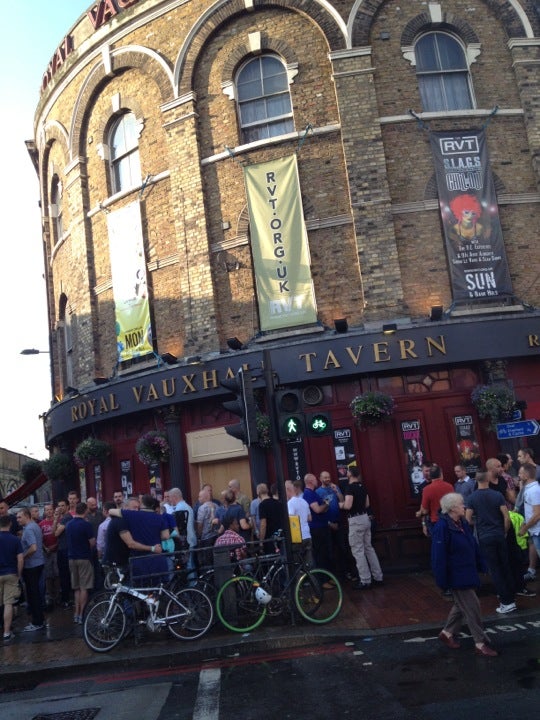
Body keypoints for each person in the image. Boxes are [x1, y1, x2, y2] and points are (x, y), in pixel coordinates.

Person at [431, 492, 498, 657]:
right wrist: (442, 580)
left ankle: (447, 633)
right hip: (456, 575)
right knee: (472, 607)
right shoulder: (442, 527)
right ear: (453, 508)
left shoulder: (461, 523)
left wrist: (481, 563)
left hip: (467, 571)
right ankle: (480, 643)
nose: (464, 507)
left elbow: (472, 545)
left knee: (462, 606)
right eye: (461, 504)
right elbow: (438, 556)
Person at [466, 471, 516, 614]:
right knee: (505, 565)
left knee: (494, 569)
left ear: (476, 480)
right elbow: (506, 517)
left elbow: (467, 520)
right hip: (499, 534)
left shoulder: (472, 498)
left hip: (485, 536)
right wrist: (504, 532)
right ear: (488, 479)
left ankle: (506, 601)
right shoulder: (497, 495)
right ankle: (510, 597)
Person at [339, 466, 383, 590]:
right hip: (365, 518)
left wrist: (339, 504)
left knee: (358, 551)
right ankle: (378, 576)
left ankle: (365, 580)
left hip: (355, 520)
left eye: (347, 471)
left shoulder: (350, 488)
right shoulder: (362, 487)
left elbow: (348, 506)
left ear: (350, 474)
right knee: (369, 548)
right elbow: (367, 504)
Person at [109, 494, 170, 583]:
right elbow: (166, 536)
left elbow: (111, 511)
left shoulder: (132, 514)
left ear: (142, 504)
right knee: (160, 588)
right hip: (158, 559)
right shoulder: (160, 517)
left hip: (139, 559)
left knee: (141, 592)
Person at [65, 502, 95, 623]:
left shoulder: (68, 524)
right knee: (84, 587)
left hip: (71, 558)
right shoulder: (86, 525)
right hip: (84, 557)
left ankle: (76, 613)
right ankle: (82, 614)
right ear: (85, 510)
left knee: (76, 588)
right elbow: (92, 542)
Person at [16, 507, 45, 632]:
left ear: (27, 516)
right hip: (38, 563)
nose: (17, 520)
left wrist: (23, 555)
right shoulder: (35, 526)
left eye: (19, 517)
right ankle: (39, 620)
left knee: (33, 595)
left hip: (32, 566)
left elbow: (33, 547)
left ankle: (37, 622)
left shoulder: (28, 529)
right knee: (36, 593)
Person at [0, 514, 23, 641]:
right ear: (10, 524)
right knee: (8, 603)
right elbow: (20, 559)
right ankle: (7, 632)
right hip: (11, 573)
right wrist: (19, 574)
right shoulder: (15, 540)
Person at [303, 473, 332, 571]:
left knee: (325, 553)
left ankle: (327, 577)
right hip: (317, 528)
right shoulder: (308, 493)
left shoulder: (313, 493)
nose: (317, 481)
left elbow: (322, 509)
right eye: (315, 479)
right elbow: (317, 510)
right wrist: (326, 504)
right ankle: (323, 580)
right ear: (310, 481)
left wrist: (324, 506)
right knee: (320, 554)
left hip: (322, 526)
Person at [416, 464, 454, 537]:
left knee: (439, 545)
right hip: (450, 520)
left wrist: (420, 514)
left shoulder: (426, 489)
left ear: (430, 476)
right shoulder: (449, 486)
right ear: (441, 474)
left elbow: (425, 511)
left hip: (436, 521)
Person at [286, 480, 313, 564]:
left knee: (296, 565)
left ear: (288, 490)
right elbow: (310, 518)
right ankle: (310, 576)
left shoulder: (290, 503)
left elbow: (291, 518)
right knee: (308, 564)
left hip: (297, 538)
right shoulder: (304, 502)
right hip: (307, 535)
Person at [53, 499, 73, 607]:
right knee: (63, 574)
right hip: (61, 549)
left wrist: (56, 520)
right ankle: (65, 598)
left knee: (65, 575)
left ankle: (66, 599)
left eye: (63, 505)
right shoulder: (62, 518)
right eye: (59, 505)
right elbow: (53, 532)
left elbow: (56, 533)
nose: (60, 507)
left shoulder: (67, 518)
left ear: (67, 506)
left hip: (65, 550)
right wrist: (55, 519)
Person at [39, 503, 60, 608]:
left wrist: (55, 545)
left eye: (50, 509)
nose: (49, 511)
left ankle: (57, 596)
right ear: (44, 511)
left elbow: (60, 537)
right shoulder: (41, 524)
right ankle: (50, 596)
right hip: (46, 552)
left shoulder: (58, 521)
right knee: (48, 574)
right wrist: (45, 548)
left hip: (56, 551)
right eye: (47, 510)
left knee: (57, 573)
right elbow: (39, 539)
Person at [258, 483, 283, 553]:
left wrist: (261, 541)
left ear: (258, 493)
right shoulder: (278, 503)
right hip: (280, 535)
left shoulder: (262, 505)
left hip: (269, 538)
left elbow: (263, 524)